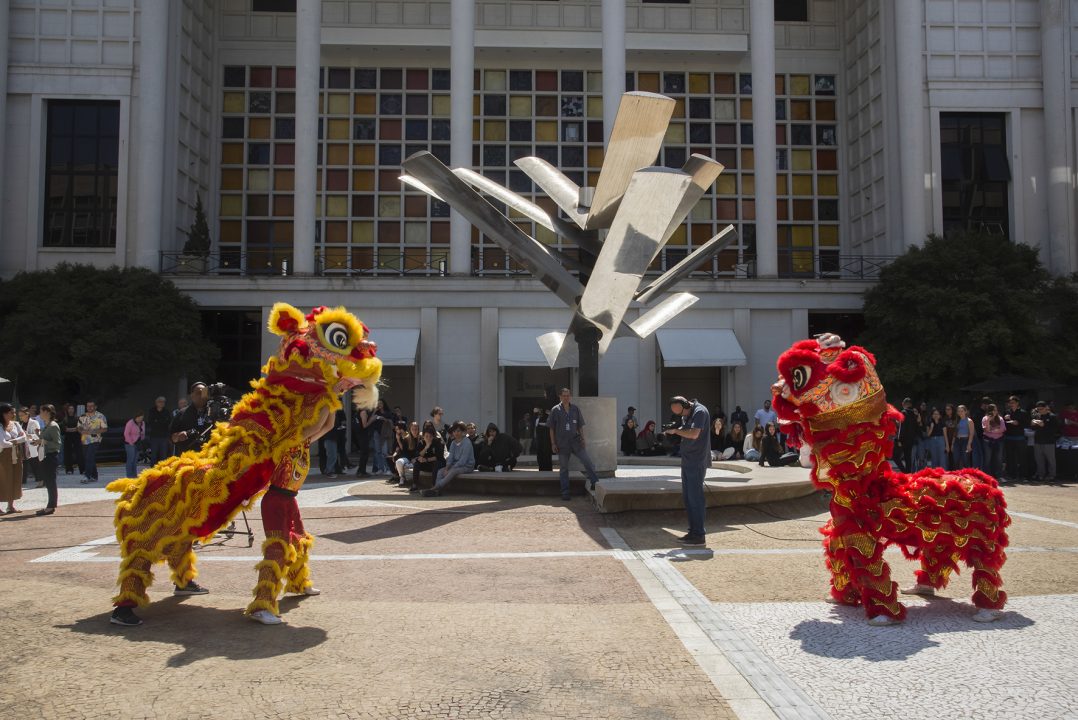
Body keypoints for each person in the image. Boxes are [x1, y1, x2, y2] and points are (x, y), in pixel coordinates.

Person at [664, 395, 710, 546]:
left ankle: (699, 535)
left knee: (695, 498)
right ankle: (693, 531)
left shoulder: (699, 411)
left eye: (681, 412)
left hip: (697, 460)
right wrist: (674, 430)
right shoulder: (689, 413)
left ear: (686, 405)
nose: (681, 415)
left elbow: (694, 434)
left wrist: (676, 431)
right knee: (688, 498)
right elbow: (687, 431)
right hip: (688, 459)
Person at [548, 388, 600, 500]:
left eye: (568, 395)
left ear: (570, 396)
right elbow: (551, 428)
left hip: (576, 442)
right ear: (560, 397)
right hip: (562, 444)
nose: (566, 398)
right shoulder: (555, 410)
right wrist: (553, 443)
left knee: (587, 462)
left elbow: (580, 426)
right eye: (564, 396)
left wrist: (583, 439)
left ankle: (594, 483)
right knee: (564, 468)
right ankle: (565, 492)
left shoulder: (575, 409)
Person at [422, 421, 475, 496]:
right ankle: (437, 491)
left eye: (458, 431)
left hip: (467, 466)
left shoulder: (467, 442)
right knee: (440, 471)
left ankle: (435, 488)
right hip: (455, 465)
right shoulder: (453, 443)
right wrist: (447, 468)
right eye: (454, 431)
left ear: (463, 432)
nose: (456, 433)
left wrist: (451, 469)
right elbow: (450, 458)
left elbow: (463, 461)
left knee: (453, 471)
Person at [0, 404, 28, 514]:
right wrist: (16, 441)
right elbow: (2, 443)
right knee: (3, 479)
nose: (14, 414)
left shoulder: (15, 424)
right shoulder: (0, 426)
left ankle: (10, 506)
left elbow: (24, 437)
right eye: (11, 412)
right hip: (3, 455)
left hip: (16, 453)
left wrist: (13, 441)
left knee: (15, 477)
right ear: (4, 414)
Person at [170, 383, 211, 455]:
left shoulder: (214, 412)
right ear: (192, 395)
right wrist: (178, 436)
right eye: (199, 393)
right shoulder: (182, 413)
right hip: (187, 457)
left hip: (209, 457)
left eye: (204, 393)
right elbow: (171, 437)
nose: (202, 395)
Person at [36, 405, 62, 516]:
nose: (40, 414)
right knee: (48, 481)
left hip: (51, 456)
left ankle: (51, 506)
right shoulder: (47, 425)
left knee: (50, 481)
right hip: (45, 456)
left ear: (47, 412)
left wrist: (43, 442)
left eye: (41, 411)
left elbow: (57, 444)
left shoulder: (53, 426)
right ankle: (50, 505)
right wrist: (38, 439)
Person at [77, 400, 107, 483]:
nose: (89, 408)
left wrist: (94, 431)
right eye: (88, 406)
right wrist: (81, 431)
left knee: (89, 457)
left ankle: (87, 476)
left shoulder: (100, 416)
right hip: (84, 440)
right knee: (89, 458)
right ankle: (94, 476)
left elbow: (105, 429)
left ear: (95, 407)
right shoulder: (82, 416)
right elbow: (78, 427)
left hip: (95, 440)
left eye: (91, 406)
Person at [1030, 401, 1059, 482]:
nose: (1040, 411)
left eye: (1041, 409)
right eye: (1038, 409)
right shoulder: (1037, 416)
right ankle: (1040, 475)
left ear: (1046, 407)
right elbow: (1033, 428)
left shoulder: (1052, 416)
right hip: (1038, 441)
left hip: (1049, 442)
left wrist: (1044, 426)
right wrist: (1032, 424)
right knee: (1039, 459)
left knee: (1051, 460)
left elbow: (1055, 430)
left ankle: (1052, 475)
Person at [1002, 395, 1030, 481]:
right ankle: (1012, 475)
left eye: (1013, 402)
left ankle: (1023, 475)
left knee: (1022, 457)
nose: (1011, 404)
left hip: (1020, 438)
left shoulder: (1023, 412)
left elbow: (1027, 424)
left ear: (1017, 403)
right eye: (1010, 403)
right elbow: (1003, 424)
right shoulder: (1007, 412)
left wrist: (1018, 423)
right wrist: (1004, 419)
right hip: (1009, 437)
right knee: (1010, 458)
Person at [410, 425, 444, 492]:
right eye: (426, 436)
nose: (428, 438)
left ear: (433, 436)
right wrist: (426, 447)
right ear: (423, 436)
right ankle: (415, 484)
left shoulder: (437, 442)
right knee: (417, 463)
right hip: (426, 464)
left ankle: (434, 485)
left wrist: (426, 459)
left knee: (436, 464)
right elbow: (418, 455)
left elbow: (438, 456)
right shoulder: (421, 443)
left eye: (430, 436)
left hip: (437, 464)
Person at [20, 407, 43, 487]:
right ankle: (23, 480)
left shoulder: (34, 422)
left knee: (35, 463)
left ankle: (39, 479)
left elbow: (38, 435)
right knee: (24, 463)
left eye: (22, 415)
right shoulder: (21, 424)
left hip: (33, 445)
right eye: (20, 415)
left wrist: (28, 435)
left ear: (27, 414)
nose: (20, 417)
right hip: (24, 446)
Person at [145, 396, 172, 463]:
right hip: (154, 436)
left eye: (163, 402)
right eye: (160, 401)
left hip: (164, 437)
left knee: (163, 455)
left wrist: (157, 421)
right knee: (154, 455)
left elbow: (168, 422)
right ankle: (153, 469)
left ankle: (163, 469)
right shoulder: (152, 411)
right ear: (156, 402)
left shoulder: (167, 411)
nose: (162, 403)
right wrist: (162, 422)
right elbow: (150, 422)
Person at [394, 421, 421, 487]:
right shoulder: (406, 439)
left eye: (416, 429)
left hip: (418, 458)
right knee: (399, 462)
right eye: (412, 429)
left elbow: (421, 452)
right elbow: (404, 452)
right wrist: (410, 460)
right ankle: (402, 477)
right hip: (408, 458)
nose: (414, 431)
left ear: (418, 429)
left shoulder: (421, 438)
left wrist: (415, 458)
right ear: (410, 430)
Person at [982, 403, 1005, 479]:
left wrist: (992, 431)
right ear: (989, 411)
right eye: (992, 410)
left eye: (995, 410)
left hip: (998, 441)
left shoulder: (1000, 418)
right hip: (988, 441)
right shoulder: (985, 418)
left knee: (999, 458)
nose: (994, 412)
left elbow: (1003, 429)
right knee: (987, 459)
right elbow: (986, 430)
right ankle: (987, 476)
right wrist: (988, 421)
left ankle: (999, 476)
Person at [352, 403, 375, 476]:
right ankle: (361, 471)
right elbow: (364, 425)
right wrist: (372, 420)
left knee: (364, 453)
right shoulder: (363, 412)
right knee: (365, 453)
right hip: (363, 435)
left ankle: (361, 470)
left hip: (359, 434)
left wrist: (374, 412)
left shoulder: (358, 412)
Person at [951, 405, 975, 470]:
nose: (960, 413)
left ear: (965, 411)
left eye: (962, 411)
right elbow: (955, 433)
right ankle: (957, 473)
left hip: (965, 440)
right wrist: (952, 444)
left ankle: (967, 474)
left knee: (965, 459)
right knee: (956, 458)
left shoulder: (969, 421)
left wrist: (969, 444)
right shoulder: (957, 421)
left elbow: (971, 433)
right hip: (957, 441)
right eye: (958, 411)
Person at [123, 411, 145, 479]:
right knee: (130, 460)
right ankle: (129, 476)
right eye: (139, 418)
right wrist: (131, 442)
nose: (140, 419)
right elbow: (126, 434)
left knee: (135, 460)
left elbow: (143, 432)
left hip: (138, 443)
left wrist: (142, 438)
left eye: (142, 418)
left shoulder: (143, 423)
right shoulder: (130, 423)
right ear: (135, 417)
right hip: (130, 444)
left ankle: (134, 475)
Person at [61, 403, 81, 475]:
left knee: (79, 453)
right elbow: (65, 429)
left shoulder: (77, 418)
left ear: (74, 410)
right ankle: (69, 469)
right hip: (68, 438)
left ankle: (82, 469)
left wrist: (70, 429)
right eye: (69, 409)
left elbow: (79, 428)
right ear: (67, 410)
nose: (71, 410)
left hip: (77, 437)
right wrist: (74, 429)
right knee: (68, 454)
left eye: (72, 408)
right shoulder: (65, 419)